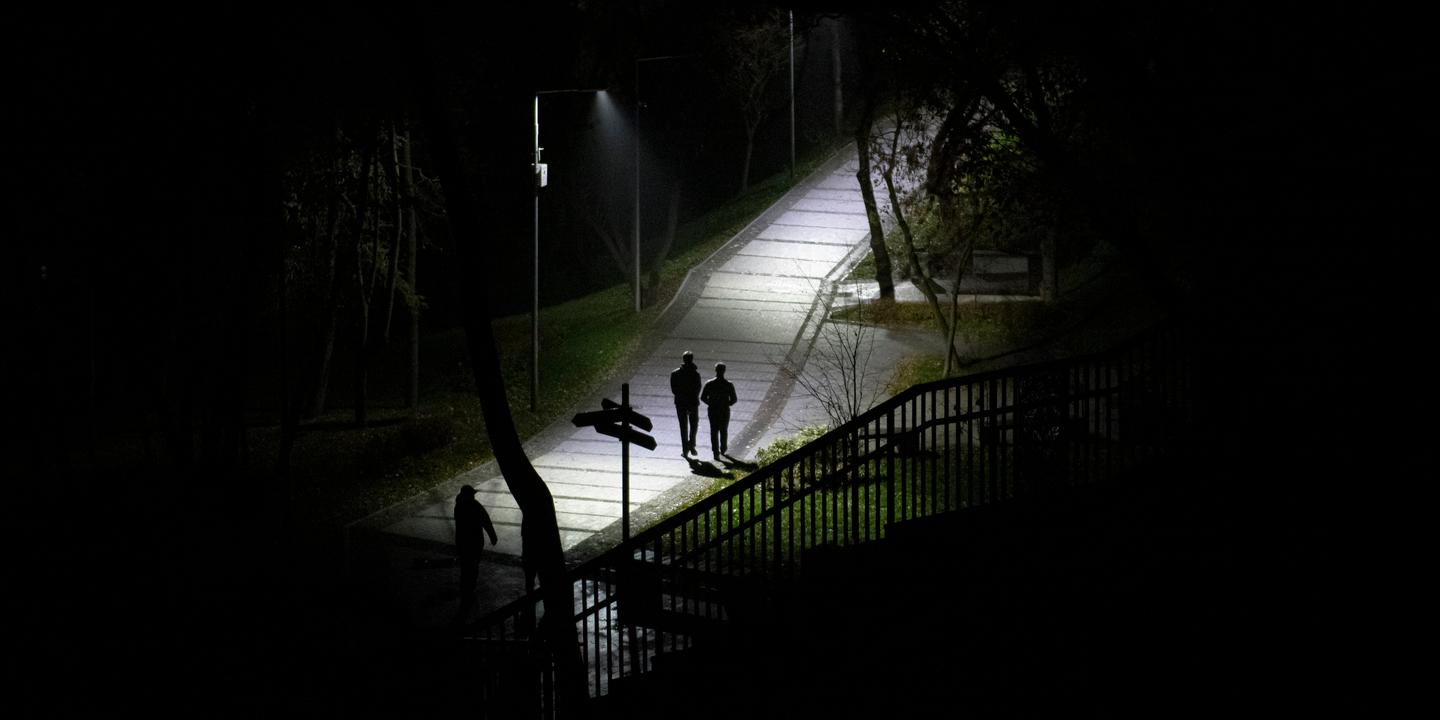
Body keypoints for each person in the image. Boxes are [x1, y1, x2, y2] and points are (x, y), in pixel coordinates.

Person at [454, 484, 498, 621]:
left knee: (465, 565)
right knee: (473, 565)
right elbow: (486, 521)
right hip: (474, 541)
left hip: (462, 541)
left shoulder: (458, 506)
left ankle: (465, 588)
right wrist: (492, 536)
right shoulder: (475, 506)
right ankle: (470, 587)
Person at [700, 361, 737, 460]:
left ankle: (715, 452)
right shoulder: (729, 384)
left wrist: (710, 403)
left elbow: (703, 397)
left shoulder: (709, 383)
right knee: (724, 430)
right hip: (724, 410)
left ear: (715, 370)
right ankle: (723, 449)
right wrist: (727, 404)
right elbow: (734, 399)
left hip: (713, 410)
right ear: (724, 371)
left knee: (714, 431)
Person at [669, 351, 702, 457]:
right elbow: (697, 389)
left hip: (680, 403)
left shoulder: (675, 374)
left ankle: (685, 449)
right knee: (694, 425)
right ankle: (692, 445)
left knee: (683, 427)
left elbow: (674, 390)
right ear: (692, 359)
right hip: (692, 403)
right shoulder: (695, 374)